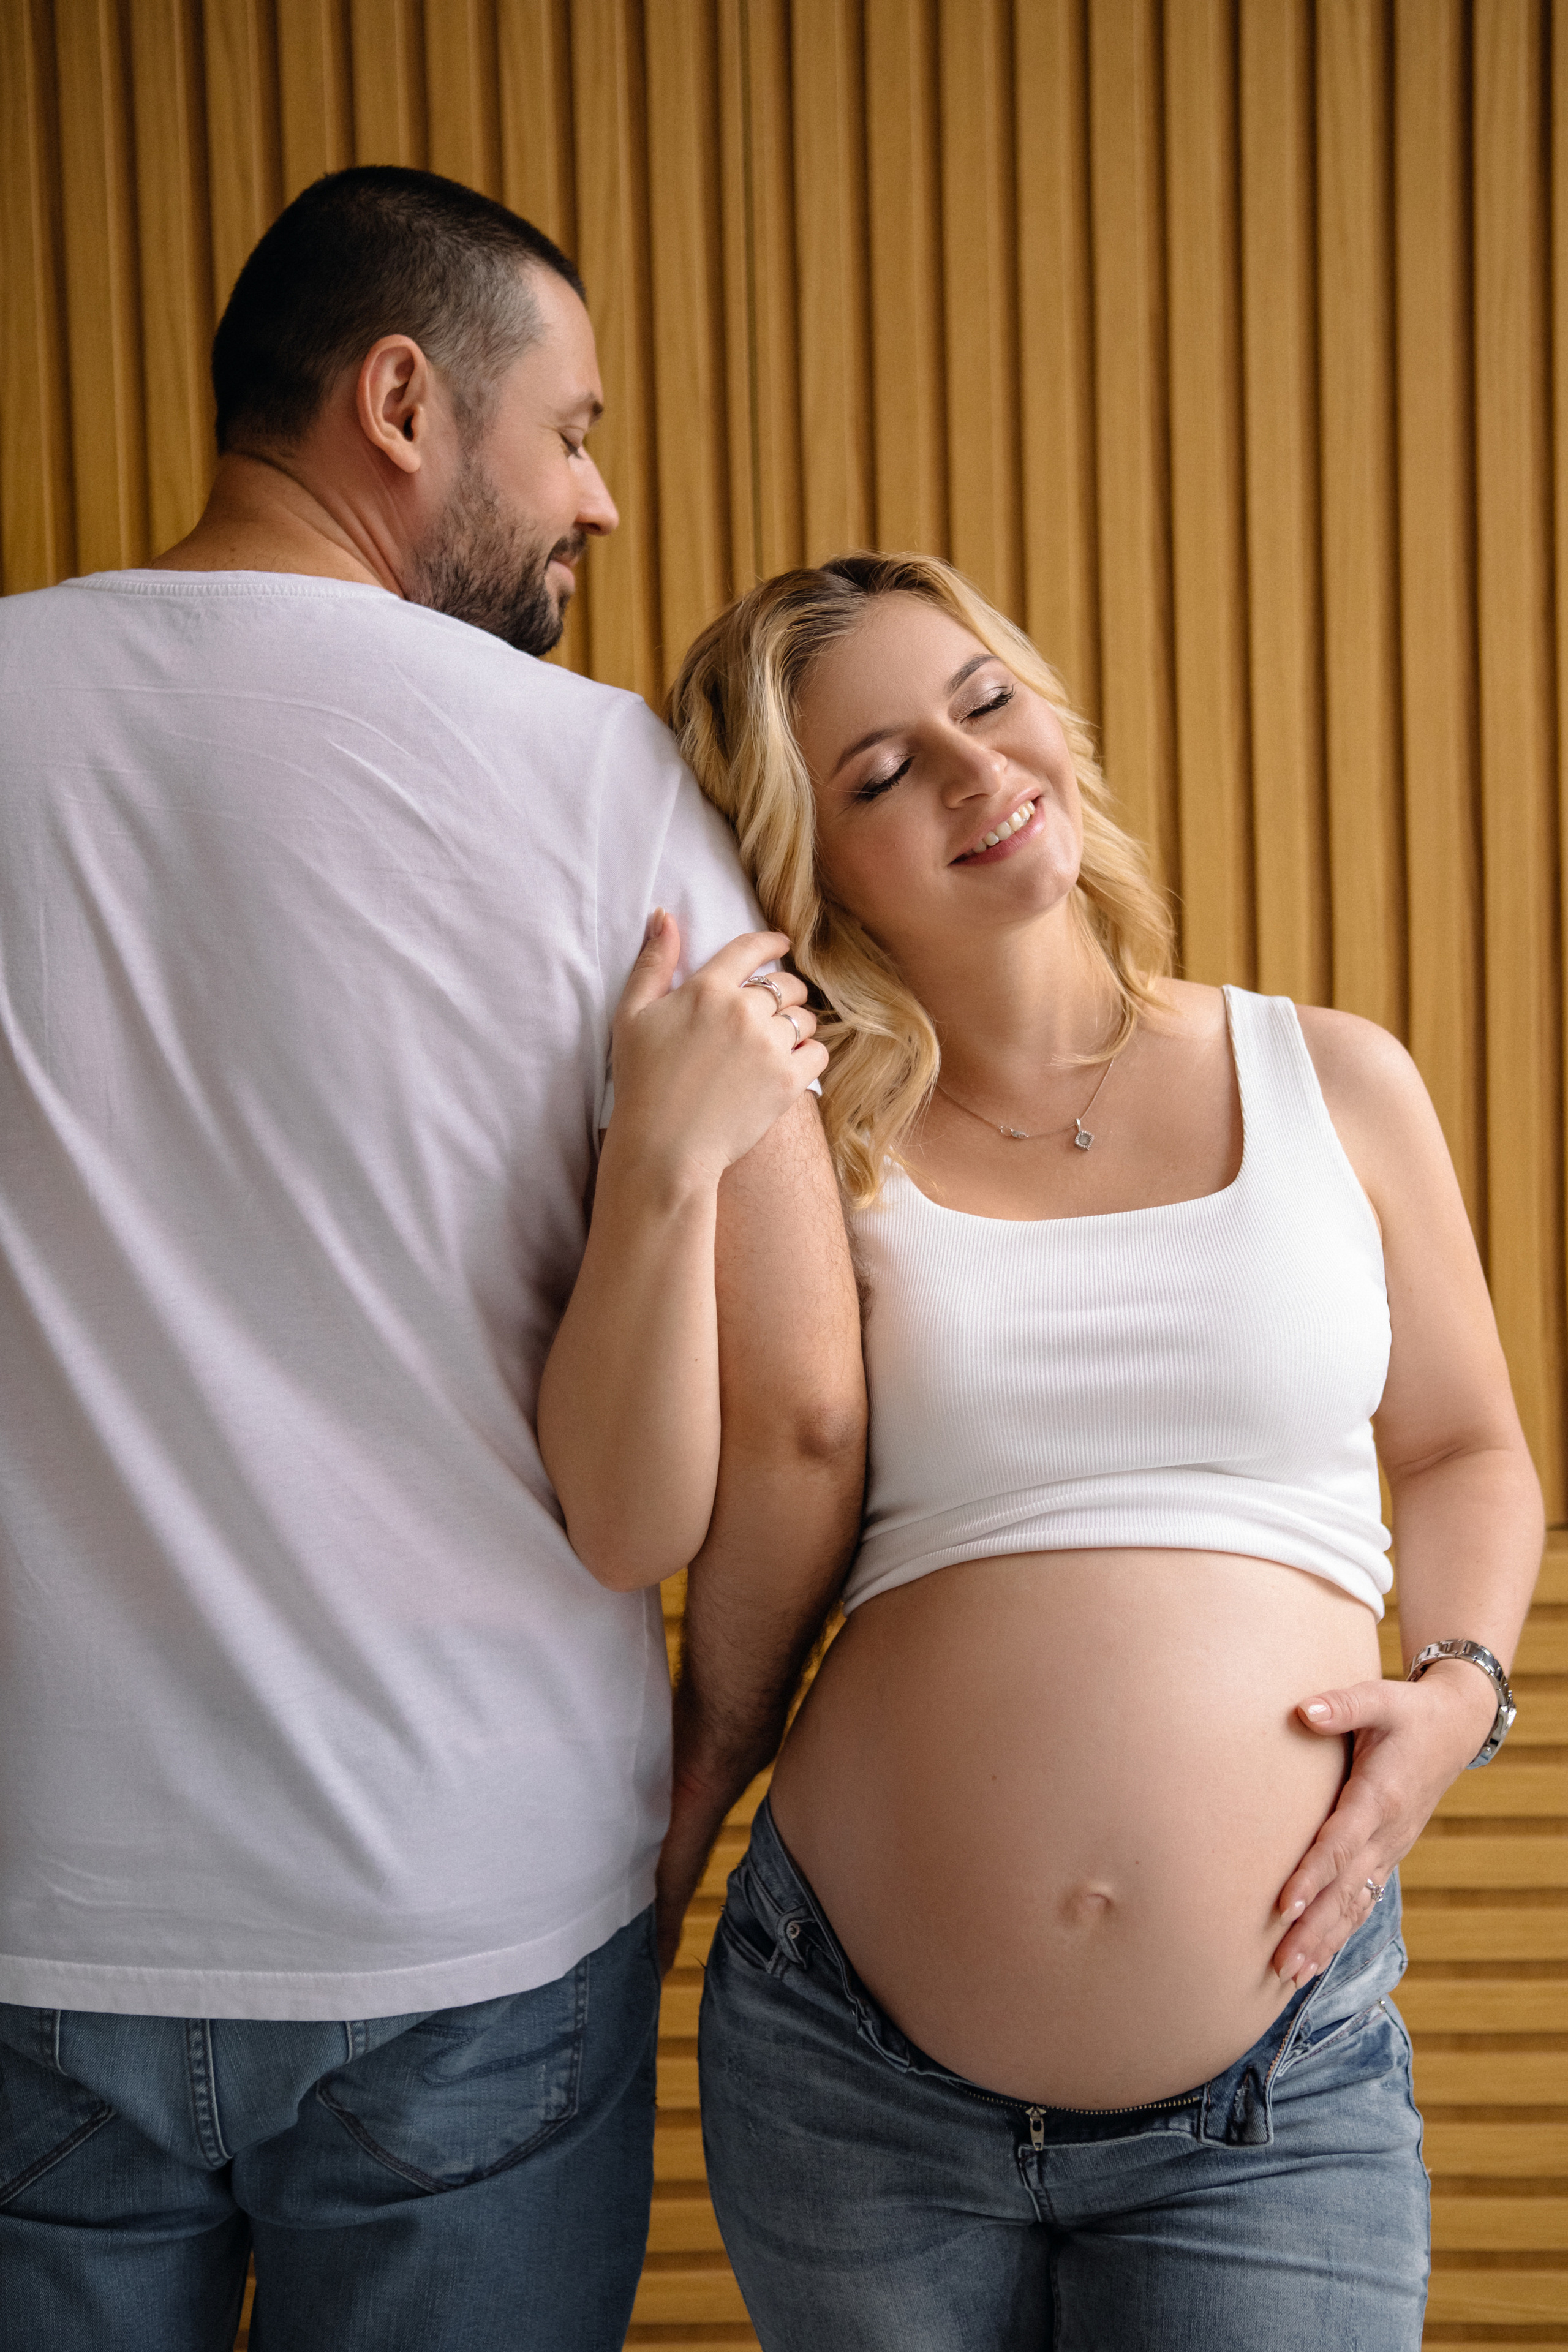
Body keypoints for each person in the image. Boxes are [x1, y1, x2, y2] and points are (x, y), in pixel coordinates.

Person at [0, 167, 863, 2352]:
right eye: (567, 429)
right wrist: (698, 1772)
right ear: (403, 398)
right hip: (468, 1908)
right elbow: (805, 1400)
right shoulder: (594, 785)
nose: (594, 499)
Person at [541, 550, 1544, 2350]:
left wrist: (1462, 1688)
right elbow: (646, 1516)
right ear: (811, 865)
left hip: (1275, 2091)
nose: (970, 772)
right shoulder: (807, 1141)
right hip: (856, 2070)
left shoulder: (1336, 1076)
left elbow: (1469, 1448)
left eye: (983, 704)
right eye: (878, 774)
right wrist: (665, 1161)